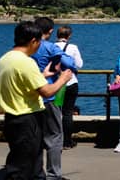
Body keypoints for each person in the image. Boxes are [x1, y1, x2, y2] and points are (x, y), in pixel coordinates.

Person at [0, 21, 73, 180]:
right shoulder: (26, 62)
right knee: (24, 169)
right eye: (39, 42)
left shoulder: (5, 58)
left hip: (12, 117)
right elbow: (46, 91)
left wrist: (42, 76)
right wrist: (63, 79)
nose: (39, 46)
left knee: (28, 164)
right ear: (33, 41)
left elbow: (20, 83)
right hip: (27, 118)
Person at [30, 17, 77, 180]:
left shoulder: (27, 47)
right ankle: (53, 174)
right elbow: (70, 62)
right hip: (49, 94)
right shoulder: (50, 47)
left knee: (34, 136)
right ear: (50, 31)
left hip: (30, 96)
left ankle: (35, 172)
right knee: (55, 136)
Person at [54, 25, 83, 150]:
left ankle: (55, 139)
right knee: (67, 113)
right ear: (69, 35)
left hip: (55, 83)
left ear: (57, 35)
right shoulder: (73, 47)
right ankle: (67, 141)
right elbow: (79, 64)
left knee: (56, 113)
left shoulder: (51, 47)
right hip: (71, 82)